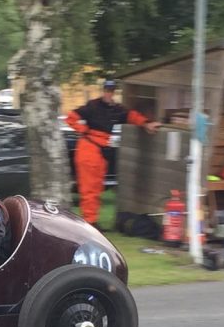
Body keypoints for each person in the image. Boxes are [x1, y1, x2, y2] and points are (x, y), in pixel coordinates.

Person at [66, 79, 161, 230]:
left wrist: (146, 123)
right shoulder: (92, 106)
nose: (109, 93)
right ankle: (89, 223)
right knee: (88, 190)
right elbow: (70, 118)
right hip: (88, 148)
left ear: (114, 92)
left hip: (102, 150)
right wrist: (83, 130)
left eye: (112, 90)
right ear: (103, 91)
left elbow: (131, 116)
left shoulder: (116, 109)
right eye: (107, 90)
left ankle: (92, 222)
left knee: (96, 189)